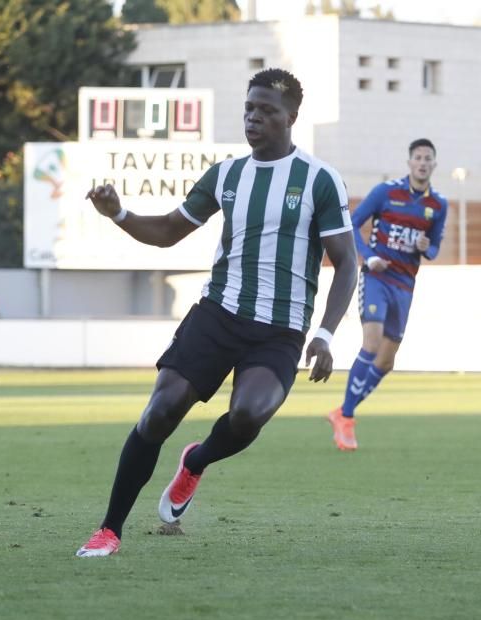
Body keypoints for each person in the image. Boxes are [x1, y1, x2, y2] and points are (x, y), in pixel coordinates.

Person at [75, 69, 359, 558]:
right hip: (218, 313)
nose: (254, 118)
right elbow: (167, 231)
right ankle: (109, 530)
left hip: (281, 329)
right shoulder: (227, 174)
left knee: (248, 415)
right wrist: (119, 214)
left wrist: (326, 334)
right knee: (160, 410)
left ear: (291, 117)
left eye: (266, 110)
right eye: (249, 108)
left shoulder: (319, 179)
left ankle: (196, 461)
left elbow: (347, 262)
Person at [327, 139, 447, 451]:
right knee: (372, 340)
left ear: (434, 164)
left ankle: (342, 411)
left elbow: (434, 247)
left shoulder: (438, 205)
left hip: (405, 285)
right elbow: (352, 224)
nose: (422, 163)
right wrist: (367, 256)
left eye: (428, 158)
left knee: (387, 360)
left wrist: (427, 248)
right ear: (409, 162)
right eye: (418, 157)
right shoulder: (386, 192)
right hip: (377, 277)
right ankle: (347, 418)